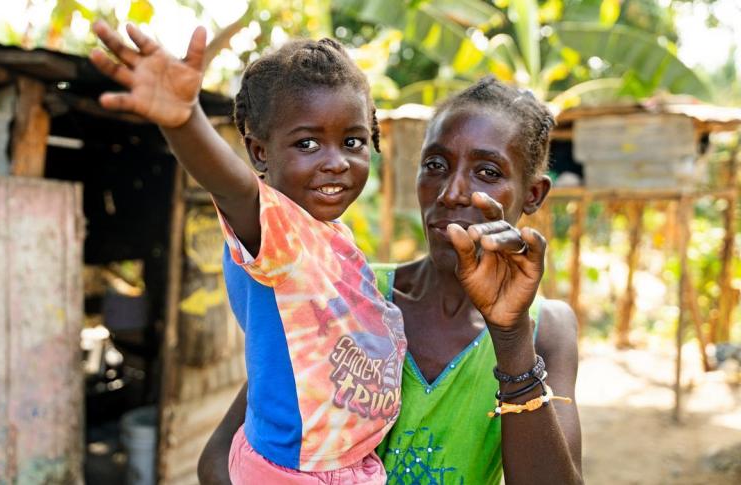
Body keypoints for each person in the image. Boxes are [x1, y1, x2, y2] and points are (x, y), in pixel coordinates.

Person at [198, 76, 583, 485]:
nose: (451, 193)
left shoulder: (544, 330)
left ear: (533, 195)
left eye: (487, 172)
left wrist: (511, 339)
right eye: (435, 165)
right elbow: (220, 456)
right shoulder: (344, 290)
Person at [90, 21, 407, 484]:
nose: (336, 160)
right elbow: (233, 188)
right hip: (296, 472)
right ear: (259, 153)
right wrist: (184, 120)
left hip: (345, 462)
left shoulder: (330, 232)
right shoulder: (277, 232)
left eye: (352, 141)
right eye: (307, 143)